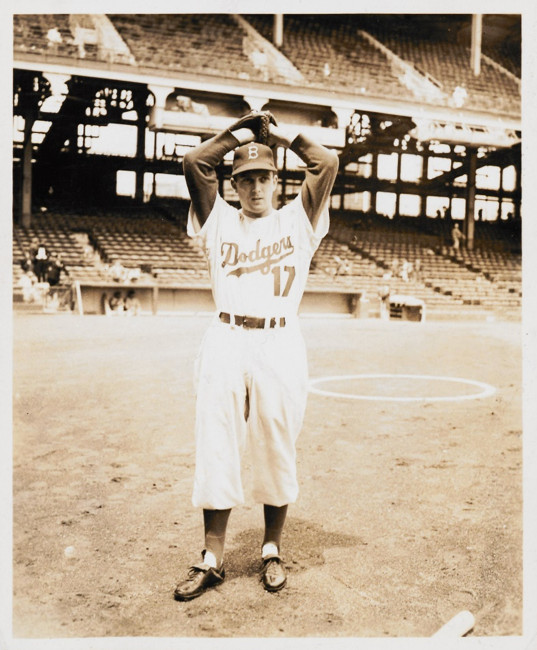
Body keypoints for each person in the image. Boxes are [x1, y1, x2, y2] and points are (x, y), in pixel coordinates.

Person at [173, 110, 338, 601]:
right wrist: (238, 135)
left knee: (275, 442)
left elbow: (325, 163)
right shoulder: (218, 218)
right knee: (216, 440)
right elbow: (194, 163)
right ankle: (211, 558)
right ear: (234, 184)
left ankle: (271, 549)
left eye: (263, 176)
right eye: (245, 179)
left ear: (277, 178)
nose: (255, 187)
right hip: (226, 337)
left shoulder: (299, 218)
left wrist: (279, 136)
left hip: (280, 341)